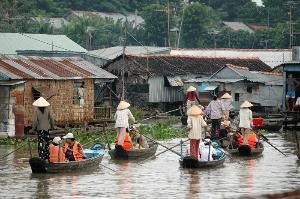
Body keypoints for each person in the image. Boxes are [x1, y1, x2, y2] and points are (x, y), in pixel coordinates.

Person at [32, 97, 54, 161]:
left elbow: (35, 122)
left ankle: (41, 157)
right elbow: (52, 119)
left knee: (41, 143)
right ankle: (47, 157)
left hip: (40, 130)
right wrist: (53, 127)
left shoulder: (36, 111)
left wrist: (33, 129)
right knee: (47, 143)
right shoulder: (48, 110)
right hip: (47, 129)